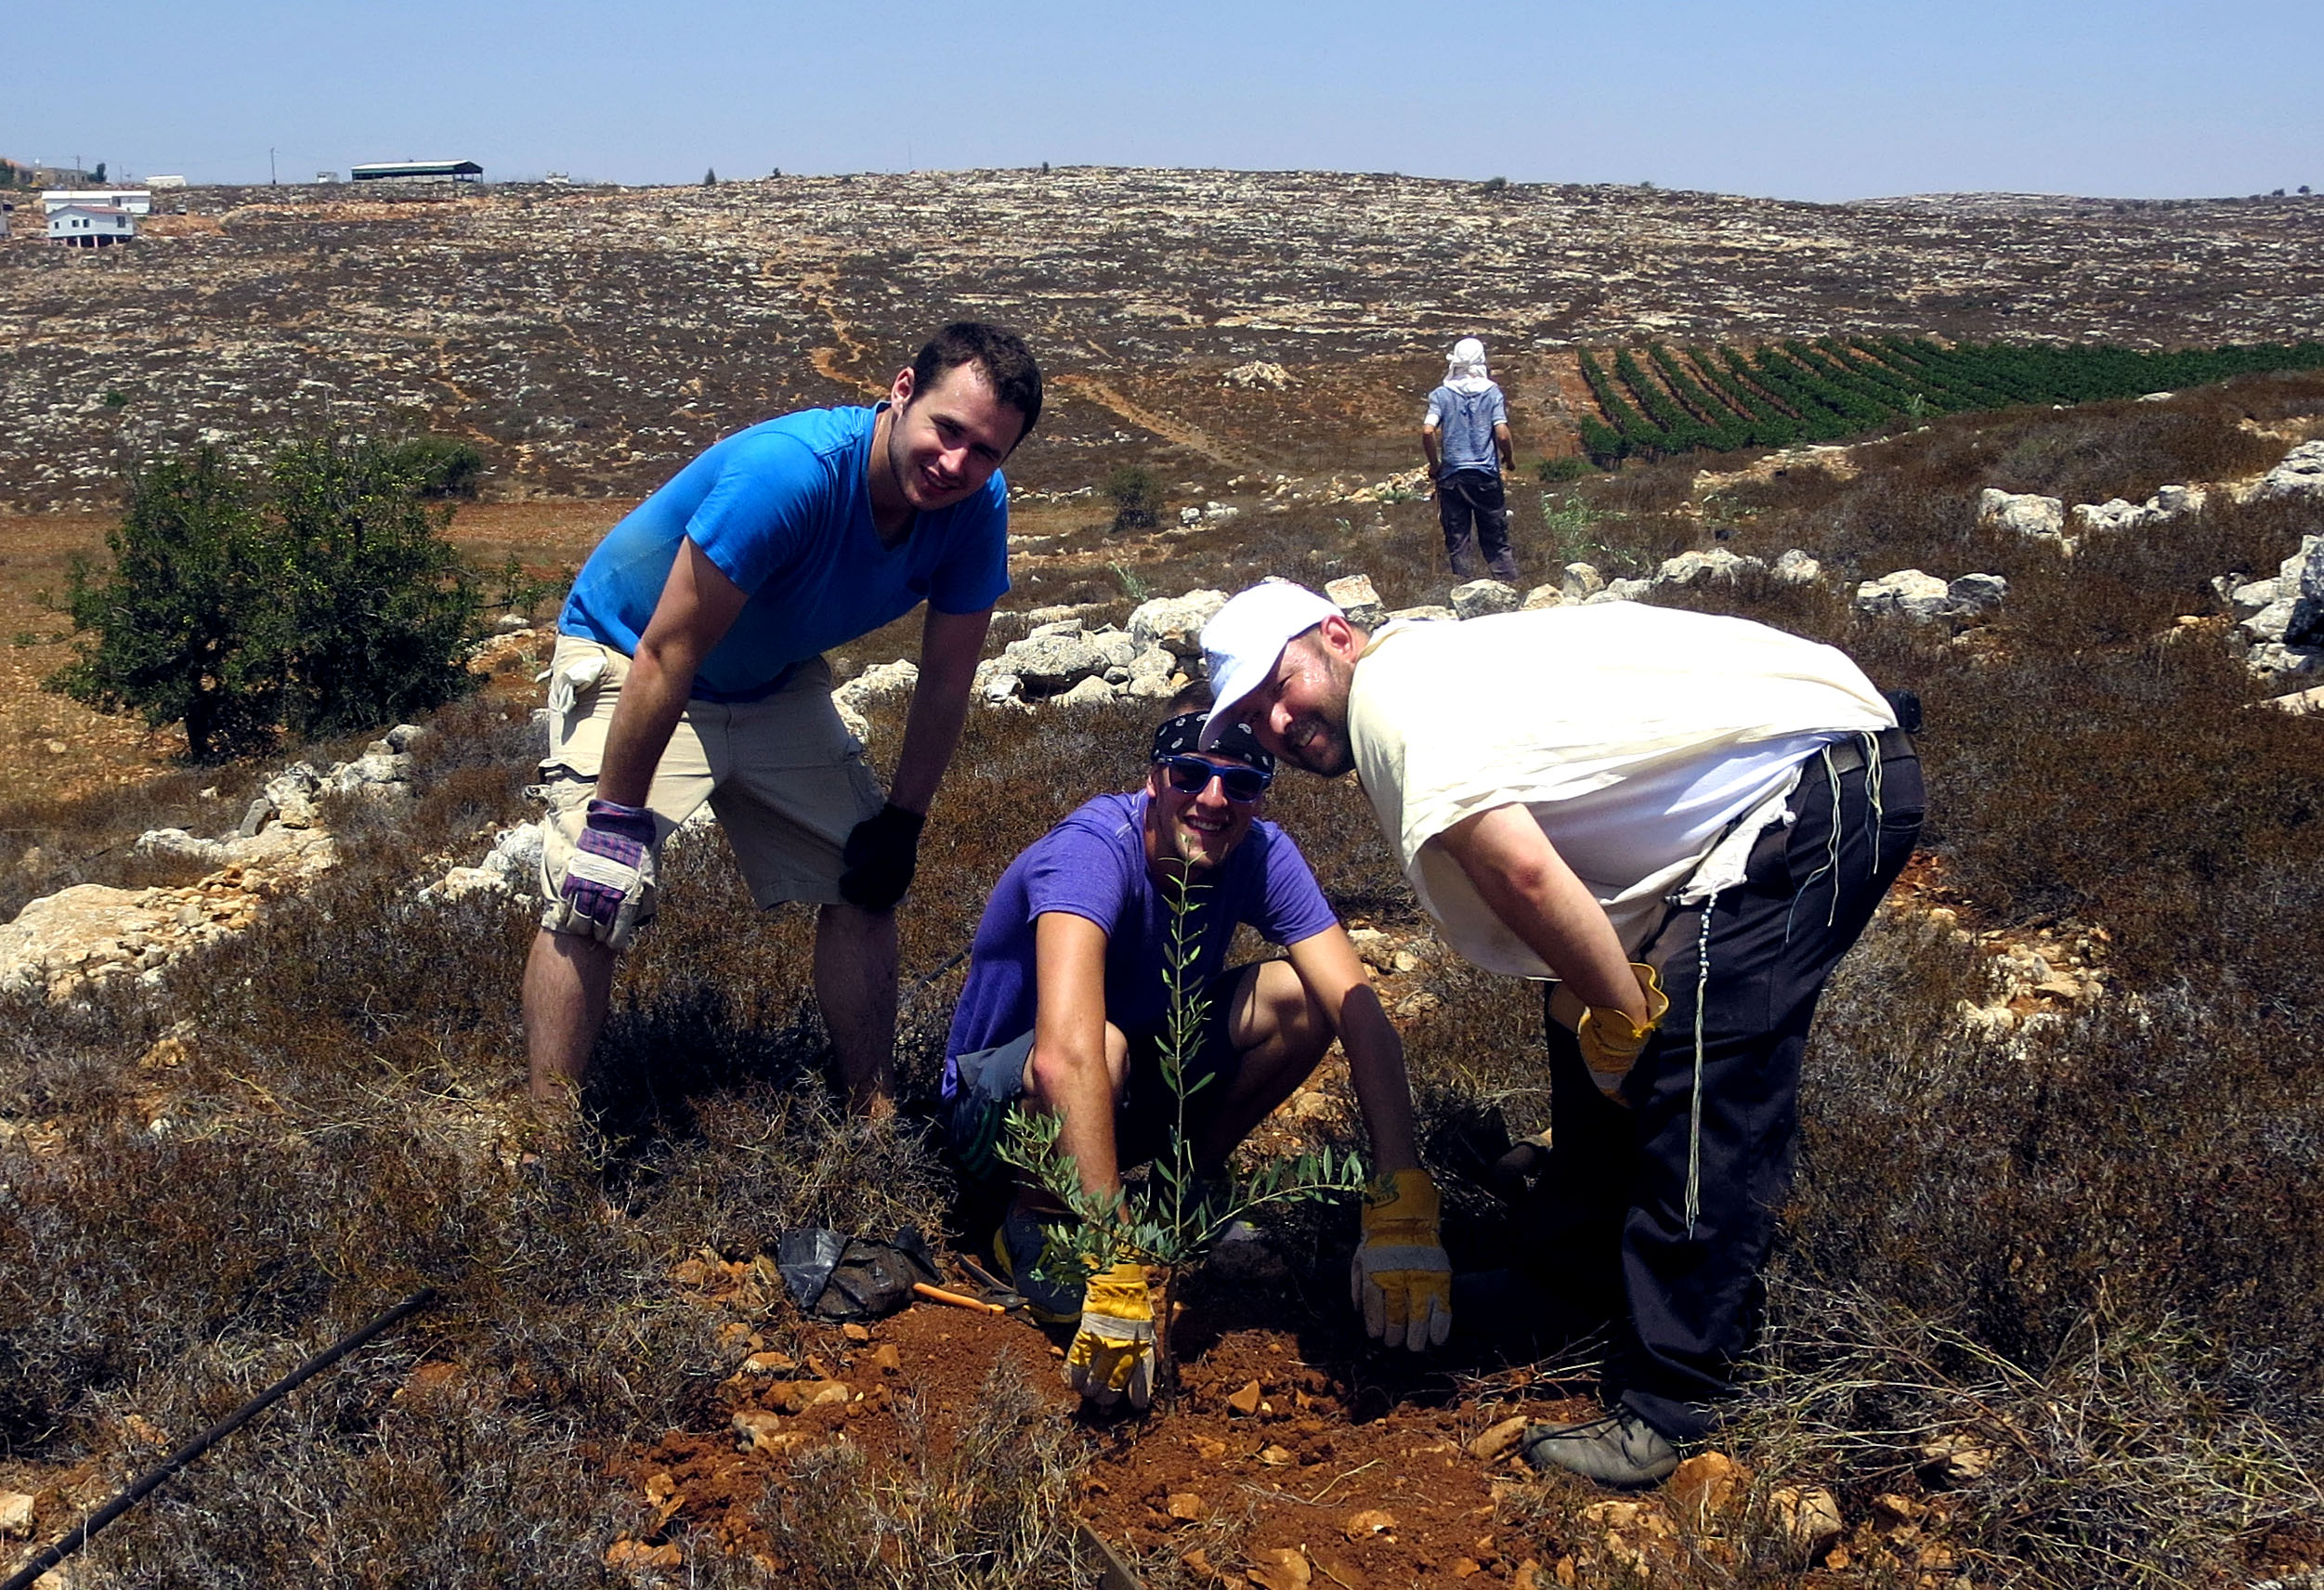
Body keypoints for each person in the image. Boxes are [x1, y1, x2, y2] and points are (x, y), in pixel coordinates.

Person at [1197, 580, 1924, 1486]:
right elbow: (1563, 866)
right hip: (1750, 812)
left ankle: (1675, 1406)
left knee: (1696, 1083)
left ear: (1337, 635)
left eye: (1280, 687)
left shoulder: (1396, 703)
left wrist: (1629, 1020)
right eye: (1252, 717)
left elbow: (1528, 877)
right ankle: (1566, 1286)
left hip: (1809, 790)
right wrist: (1598, 1018)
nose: (1275, 724)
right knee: (1592, 1033)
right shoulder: (1423, 673)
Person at [523, 321, 1042, 1122]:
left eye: (986, 454)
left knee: (864, 880)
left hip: (769, 680)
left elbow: (946, 682)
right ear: (903, 391)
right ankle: (546, 1144)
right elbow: (670, 648)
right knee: (595, 890)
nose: (956, 466)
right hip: (636, 656)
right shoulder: (792, 474)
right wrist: (618, 816)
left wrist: (903, 821)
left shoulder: (975, 509)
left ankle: (873, 1122)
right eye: (948, 431)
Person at [943, 695, 1448, 1409]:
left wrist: (1404, 1198)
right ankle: (1039, 1222)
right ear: (1155, 780)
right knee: (1102, 1044)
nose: (1214, 799)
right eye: (1190, 774)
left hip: (1115, 1091)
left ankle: (1183, 1194)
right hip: (1005, 1115)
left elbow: (1358, 1010)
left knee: (1299, 997)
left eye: (1241, 783)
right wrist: (1119, 1268)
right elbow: (1066, 1057)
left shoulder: (1261, 851)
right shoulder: (1090, 852)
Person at [1423, 337, 1518, 580]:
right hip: (1485, 475)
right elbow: (1502, 433)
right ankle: (1508, 585)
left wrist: (1435, 466)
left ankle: (1463, 587)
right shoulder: (1492, 393)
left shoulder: (1441, 395)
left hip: (1452, 478)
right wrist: (1509, 458)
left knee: (1458, 539)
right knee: (1496, 537)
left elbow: (1427, 430)